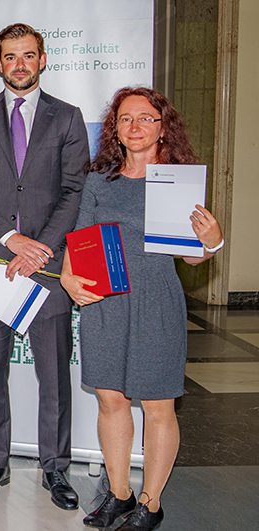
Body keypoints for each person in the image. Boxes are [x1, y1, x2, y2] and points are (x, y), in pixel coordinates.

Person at [61, 87, 223, 531]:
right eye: (125, 118)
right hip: (106, 302)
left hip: (156, 302)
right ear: (115, 128)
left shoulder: (178, 182)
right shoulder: (99, 180)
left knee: (157, 404)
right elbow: (80, 237)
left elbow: (192, 256)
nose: (135, 126)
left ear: (162, 127)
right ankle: (119, 494)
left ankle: (151, 504)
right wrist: (69, 279)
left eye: (146, 118)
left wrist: (212, 242)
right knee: (111, 399)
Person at [0, 23, 89, 509]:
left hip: (49, 269)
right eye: (10, 56)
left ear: (42, 59)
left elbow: (75, 190)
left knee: (54, 378)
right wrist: (12, 241)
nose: (20, 64)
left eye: (28, 55)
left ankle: (56, 469)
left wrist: (41, 248)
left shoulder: (67, 117)